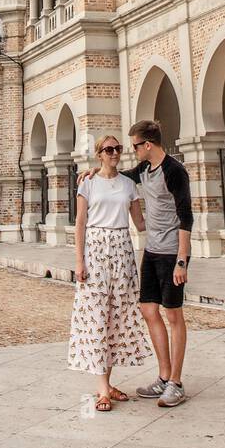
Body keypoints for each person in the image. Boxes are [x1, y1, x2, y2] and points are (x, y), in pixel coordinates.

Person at [79, 119, 193, 408]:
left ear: (148, 145)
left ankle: (176, 383)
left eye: (130, 147)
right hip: (151, 252)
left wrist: (182, 261)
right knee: (147, 309)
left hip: (171, 255)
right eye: (114, 149)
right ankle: (164, 377)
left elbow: (186, 217)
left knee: (174, 315)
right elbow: (118, 177)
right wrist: (95, 170)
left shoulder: (175, 171)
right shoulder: (143, 170)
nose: (124, 152)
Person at [67, 134, 153, 411]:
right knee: (96, 315)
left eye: (118, 148)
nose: (114, 152)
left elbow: (139, 223)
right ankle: (102, 390)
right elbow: (80, 223)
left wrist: (168, 225)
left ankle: (108, 384)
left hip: (122, 250)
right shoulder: (88, 183)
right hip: (95, 249)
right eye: (108, 149)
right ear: (99, 154)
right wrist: (80, 261)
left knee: (117, 316)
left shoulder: (129, 185)